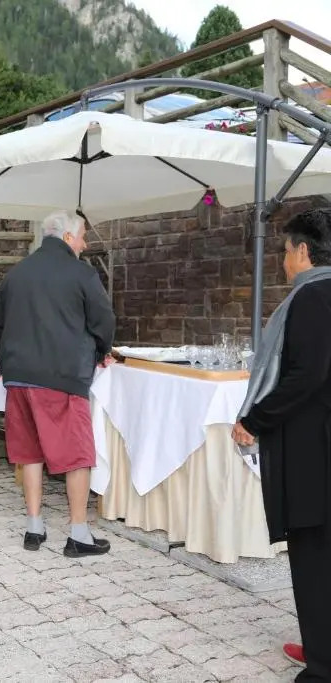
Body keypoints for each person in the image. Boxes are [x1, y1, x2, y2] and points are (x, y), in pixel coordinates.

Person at [234, 208, 331, 681]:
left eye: (286, 251)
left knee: (315, 559)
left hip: (316, 451)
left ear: (303, 251)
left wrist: (254, 419)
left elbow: (305, 375)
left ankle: (322, 667)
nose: (284, 261)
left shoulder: (312, 297)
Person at [0, 210, 115, 558]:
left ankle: (34, 526)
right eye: (83, 236)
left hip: (19, 377)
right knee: (77, 455)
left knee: (29, 452)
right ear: (68, 237)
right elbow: (104, 322)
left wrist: (12, 352)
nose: (85, 244)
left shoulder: (17, 273)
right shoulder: (82, 273)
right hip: (62, 376)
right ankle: (78, 534)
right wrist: (100, 351)